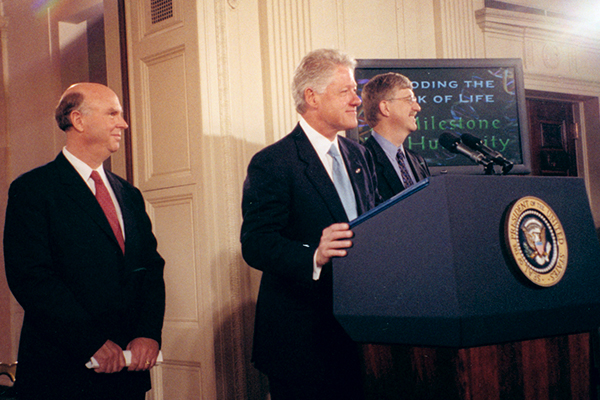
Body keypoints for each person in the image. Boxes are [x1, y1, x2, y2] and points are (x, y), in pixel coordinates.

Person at [3, 83, 166, 400]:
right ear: (78, 120)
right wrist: (90, 341)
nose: (123, 123)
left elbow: (150, 268)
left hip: (127, 375)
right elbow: (31, 277)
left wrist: (148, 333)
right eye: (112, 114)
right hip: (62, 372)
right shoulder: (33, 190)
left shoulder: (129, 195)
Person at [240, 49, 380, 400]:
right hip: (303, 342)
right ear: (311, 97)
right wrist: (313, 256)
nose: (356, 101)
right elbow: (256, 242)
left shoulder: (360, 155)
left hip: (361, 334)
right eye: (346, 91)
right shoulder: (273, 162)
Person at [361, 72, 430, 201]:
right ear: (385, 108)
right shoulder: (362, 161)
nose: (417, 107)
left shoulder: (417, 160)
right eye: (409, 100)